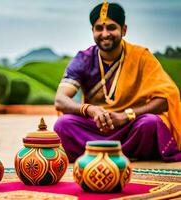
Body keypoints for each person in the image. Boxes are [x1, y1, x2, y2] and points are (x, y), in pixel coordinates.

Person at [53, 1, 181, 162]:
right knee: (63, 124)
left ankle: (98, 153)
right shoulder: (83, 59)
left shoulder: (141, 57)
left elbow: (166, 99)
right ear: (92, 31)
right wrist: (90, 110)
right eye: (99, 28)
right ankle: (123, 153)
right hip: (96, 125)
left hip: (130, 125)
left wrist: (126, 116)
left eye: (111, 27)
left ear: (124, 30)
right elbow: (60, 100)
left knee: (150, 123)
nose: (105, 34)